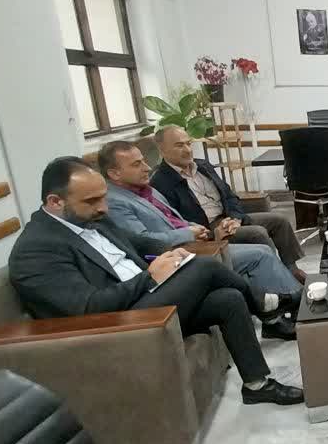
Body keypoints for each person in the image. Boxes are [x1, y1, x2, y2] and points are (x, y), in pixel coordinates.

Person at [9, 157, 304, 406]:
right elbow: (87, 308)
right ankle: (267, 304)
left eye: (103, 197)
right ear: (55, 201)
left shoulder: (92, 219)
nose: (104, 207)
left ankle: (256, 385)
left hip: (146, 300)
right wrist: (149, 278)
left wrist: (171, 253)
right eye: (92, 201)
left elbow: (140, 243)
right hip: (117, 325)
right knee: (204, 268)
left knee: (228, 298)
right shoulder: (36, 249)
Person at [98, 141, 301, 339]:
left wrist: (202, 230)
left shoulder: (146, 189)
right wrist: (190, 233)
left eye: (143, 161)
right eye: (137, 164)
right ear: (114, 173)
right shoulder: (115, 202)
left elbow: (175, 219)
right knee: (259, 254)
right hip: (176, 255)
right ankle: (292, 307)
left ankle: (286, 306)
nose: (147, 167)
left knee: (263, 245)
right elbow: (143, 241)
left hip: (197, 241)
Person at [151, 126, 307, 283]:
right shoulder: (161, 182)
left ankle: (292, 270)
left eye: (188, 143)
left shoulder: (203, 166)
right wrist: (212, 232)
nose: (187, 150)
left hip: (228, 217)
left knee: (279, 221)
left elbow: (229, 195)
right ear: (162, 150)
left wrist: (235, 218)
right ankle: (282, 282)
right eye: (179, 145)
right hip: (208, 229)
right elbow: (176, 221)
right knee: (257, 233)